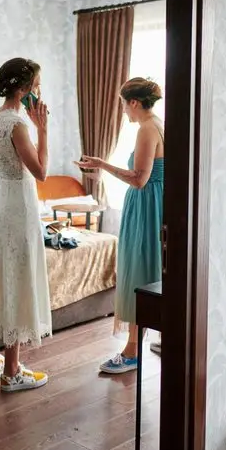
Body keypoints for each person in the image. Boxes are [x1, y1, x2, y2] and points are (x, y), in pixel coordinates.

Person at [74, 77, 164, 374]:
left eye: (124, 105)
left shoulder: (146, 129)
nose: (124, 111)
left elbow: (139, 179)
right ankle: (158, 336)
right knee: (152, 269)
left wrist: (102, 164)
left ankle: (132, 351)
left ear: (134, 102)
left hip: (145, 206)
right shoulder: (160, 124)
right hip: (156, 204)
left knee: (138, 271)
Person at [0, 58, 53, 392]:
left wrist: (9, 164)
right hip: (19, 209)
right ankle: (11, 372)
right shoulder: (18, 125)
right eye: (37, 86)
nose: (39, 91)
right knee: (18, 279)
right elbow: (41, 172)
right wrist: (43, 131)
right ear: (24, 90)